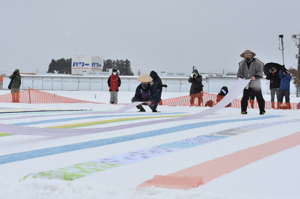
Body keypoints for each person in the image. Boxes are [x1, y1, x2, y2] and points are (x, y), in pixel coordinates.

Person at [237, 50, 266, 115]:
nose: (246, 57)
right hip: (246, 84)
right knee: (244, 98)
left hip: (256, 84)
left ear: (251, 56)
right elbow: (240, 72)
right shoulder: (242, 64)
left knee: (259, 98)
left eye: (248, 55)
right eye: (245, 56)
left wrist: (255, 76)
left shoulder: (257, 63)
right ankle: (243, 110)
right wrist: (239, 76)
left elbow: (260, 72)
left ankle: (262, 110)